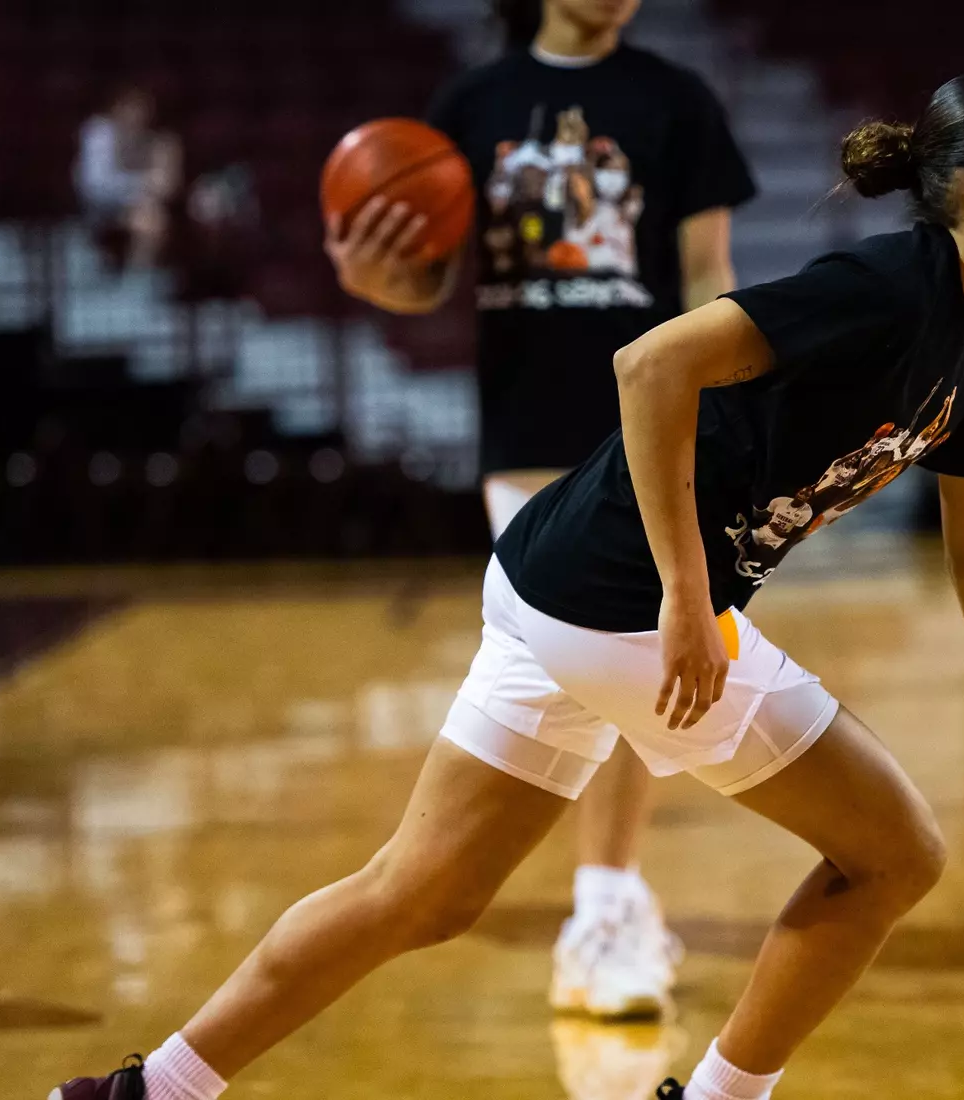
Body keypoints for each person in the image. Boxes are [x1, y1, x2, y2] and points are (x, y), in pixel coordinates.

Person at [50, 72, 964, 1100]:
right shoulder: (886, 288)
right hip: (620, 591)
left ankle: (144, 1089)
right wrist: (684, 593)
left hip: (550, 578)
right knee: (896, 852)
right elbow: (650, 365)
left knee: (420, 891)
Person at [320, 0, 757, 1020]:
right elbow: (425, 280)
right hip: (525, 431)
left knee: (622, 670)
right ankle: (602, 904)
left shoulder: (677, 99)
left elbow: (707, 275)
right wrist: (379, 280)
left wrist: (728, 407)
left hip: (648, 431)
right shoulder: (473, 103)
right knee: (594, 674)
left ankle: (604, 902)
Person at [74, 85, 181, 270]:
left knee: (150, 220)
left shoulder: (158, 140)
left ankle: (138, 277)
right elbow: (94, 187)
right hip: (96, 207)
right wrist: (143, 184)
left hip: (142, 207)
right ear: (117, 107)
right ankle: (134, 281)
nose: (137, 115)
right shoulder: (98, 133)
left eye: (143, 109)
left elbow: (166, 187)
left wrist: (151, 187)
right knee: (149, 219)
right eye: (132, 107)